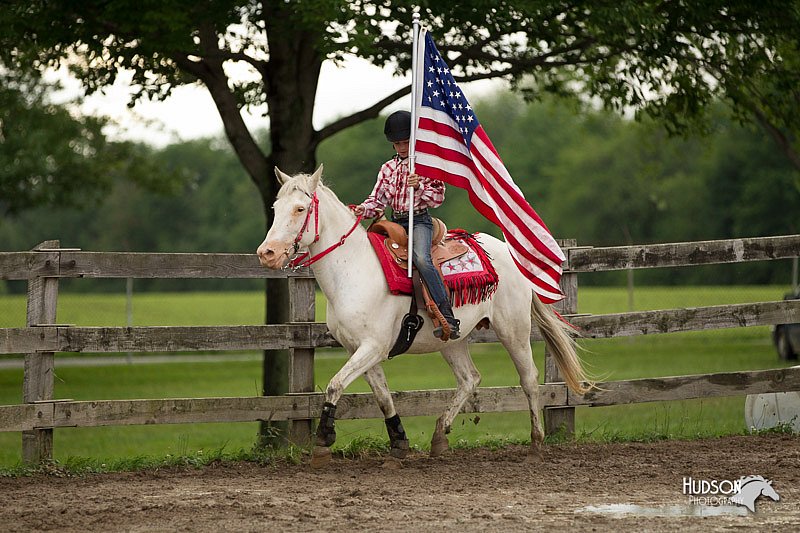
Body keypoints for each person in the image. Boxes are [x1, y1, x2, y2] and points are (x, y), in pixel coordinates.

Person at [351, 110, 460, 340]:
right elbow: (377, 201)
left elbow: (438, 199)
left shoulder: (427, 166)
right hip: (395, 221)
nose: (401, 147)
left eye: (406, 142)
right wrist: (362, 210)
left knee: (421, 258)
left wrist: (419, 187)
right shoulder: (387, 169)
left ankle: (447, 315)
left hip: (419, 219)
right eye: (397, 143)